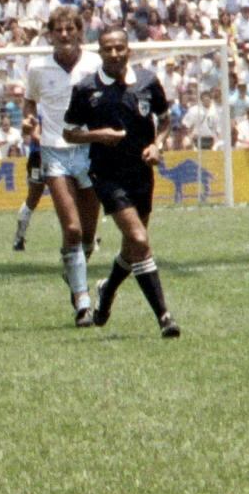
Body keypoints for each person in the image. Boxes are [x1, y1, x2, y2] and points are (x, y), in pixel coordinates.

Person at [66, 26, 179, 337]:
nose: (114, 53)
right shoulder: (86, 88)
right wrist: (97, 136)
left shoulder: (147, 82)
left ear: (128, 50)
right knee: (140, 241)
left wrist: (157, 144)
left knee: (132, 247)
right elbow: (69, 131)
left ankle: (107, 290)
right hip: (106, 175)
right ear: (99, 52)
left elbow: (166, 118)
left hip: (141, 174)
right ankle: (165, 317)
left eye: (119, 48)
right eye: (107, 49)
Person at [15, 9, 104, 317]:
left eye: (70, 29)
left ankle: (74, 267)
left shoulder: (95, 64)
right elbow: (30, 101)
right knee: (72, 228)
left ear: (79, 32)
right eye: (58, 30)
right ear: (50, 34)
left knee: (89, 236)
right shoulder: (38, 67)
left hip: (91, 152)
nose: (64, 35)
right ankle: (82, 301)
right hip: (55, 150)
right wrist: (29, 122)